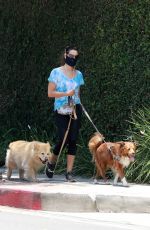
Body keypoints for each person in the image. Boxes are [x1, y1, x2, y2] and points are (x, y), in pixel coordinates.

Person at [46, 45, 84, 182]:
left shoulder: (79, 74)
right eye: (71, 55)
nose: (73, 58)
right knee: (63, 138)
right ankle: (51, 162)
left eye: (76, 57)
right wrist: (66, 94)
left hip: (75, 109)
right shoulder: (56, 72)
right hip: (61, 110)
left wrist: (78, 103)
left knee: (73, 140)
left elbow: (78, 92)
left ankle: (69, 172)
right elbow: (50, 93)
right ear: (65, 55)